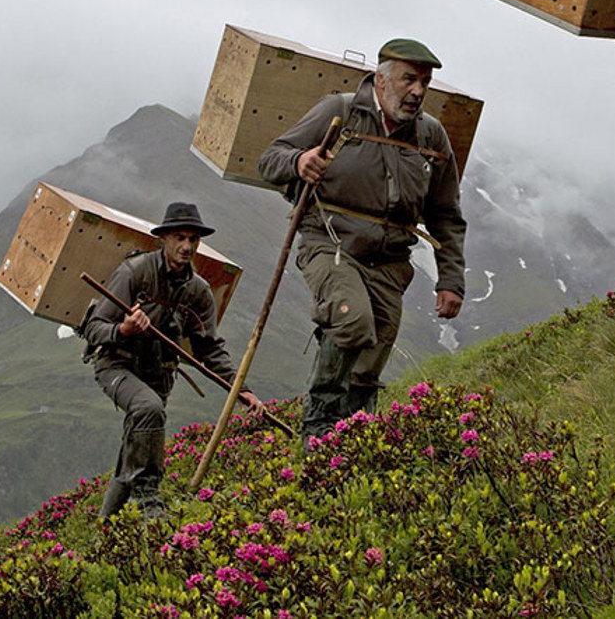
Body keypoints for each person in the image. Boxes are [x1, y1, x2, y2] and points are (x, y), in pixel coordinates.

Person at [258, 39, 467, 444]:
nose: (418, 91)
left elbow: (446, 214)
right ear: (381, 79)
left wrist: (451, 280)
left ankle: (350, 439)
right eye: (409, 79)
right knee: (352, 319)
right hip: (330, 243)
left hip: (390, 262)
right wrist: (299, 162)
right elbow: (270, 158)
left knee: (371, 357)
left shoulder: (432, 137)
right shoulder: (339, 111)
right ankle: (316, 428)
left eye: (425, 82)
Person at [80, 202, 263, 519]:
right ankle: (149, 500)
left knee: (132, 453)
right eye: (180, 237)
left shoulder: (199, 292)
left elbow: (210, 348)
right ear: (163, 238)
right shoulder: (135, 273)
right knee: (148, 408)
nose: (187, 246)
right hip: (116, 365)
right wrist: (123, 330)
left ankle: (103, 531)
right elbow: (94, 329)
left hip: (159, 376)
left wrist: (240, 389)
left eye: (193, 239)